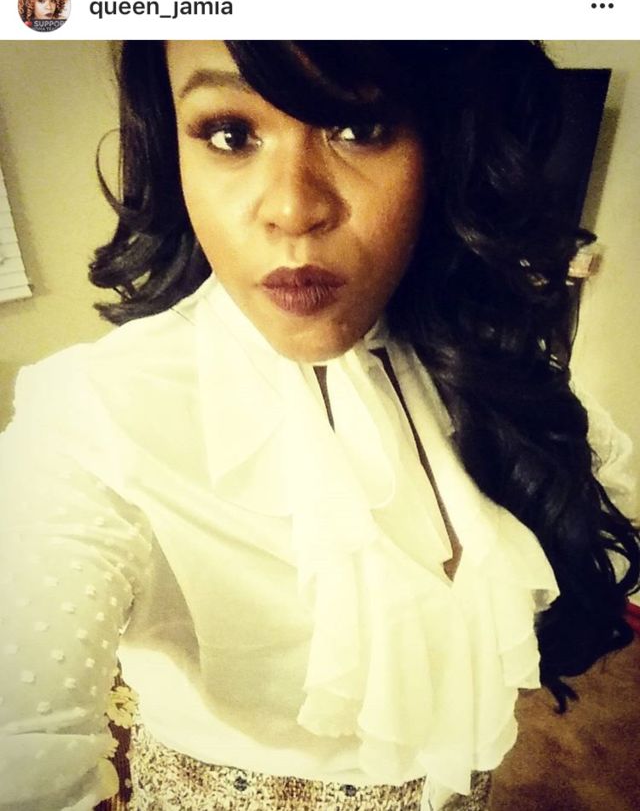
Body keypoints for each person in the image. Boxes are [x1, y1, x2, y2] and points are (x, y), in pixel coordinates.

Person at [1, 41, 638, 811]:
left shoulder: (489, 362)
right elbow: (22, 749)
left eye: (359, 126)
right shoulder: (90, 415)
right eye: (231, 133)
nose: (293, 208)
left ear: (446, 143)